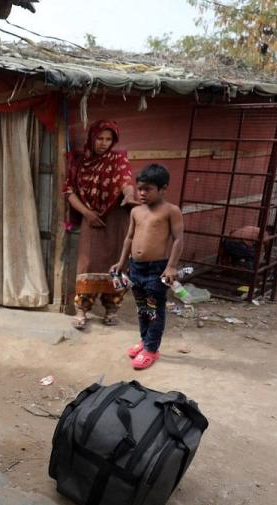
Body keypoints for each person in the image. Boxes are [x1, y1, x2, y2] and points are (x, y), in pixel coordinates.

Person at [63, 120, 140, 330]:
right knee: (87, 264)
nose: (104, 143)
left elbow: (125, 181)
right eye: (100, 138)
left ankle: (112, 309)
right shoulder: (80, 163)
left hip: (115, 219)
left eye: (108, 139)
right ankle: (82, 310)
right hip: (92, 219)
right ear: (92, 138)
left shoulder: (118, 160)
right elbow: (68, 191)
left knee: (117, 265)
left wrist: (128, 196)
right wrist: (87, 213)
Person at [110, 164, 185, 370]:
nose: (142, 193)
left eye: (148, 189)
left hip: (157, 269)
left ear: (163, 189)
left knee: (155, 309)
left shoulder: (171, 211)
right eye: (140, 188)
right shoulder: (135, 211)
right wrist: (121, 261)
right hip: (136, 268)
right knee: (142, 308)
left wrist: (171, 267)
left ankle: (151, 349)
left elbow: (178, 239)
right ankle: (144, 341)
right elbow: (129, 237)